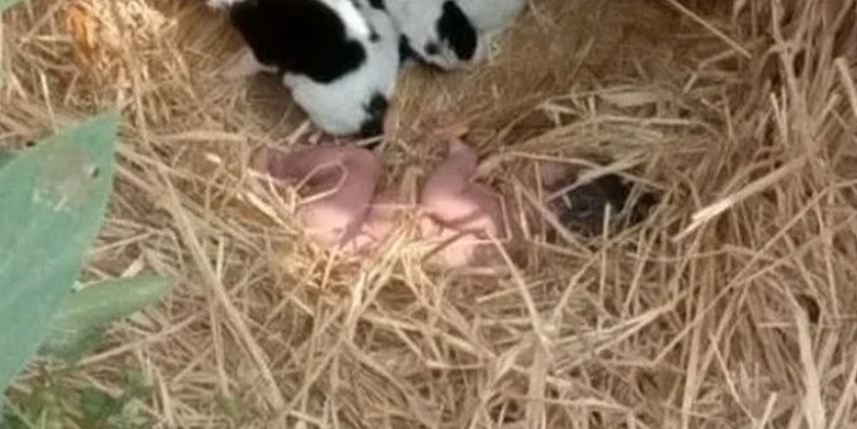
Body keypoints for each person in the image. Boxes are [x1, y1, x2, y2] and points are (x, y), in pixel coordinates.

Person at [250, 134, 655, 274]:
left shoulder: (492, 214)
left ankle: (272, 166)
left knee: (362, 162)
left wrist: (462, 158)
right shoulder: (509, 254)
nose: (540, 160)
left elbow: (437, 197)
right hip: (352, 254)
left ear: (557, 197)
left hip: (339, 231)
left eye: (554, 166)